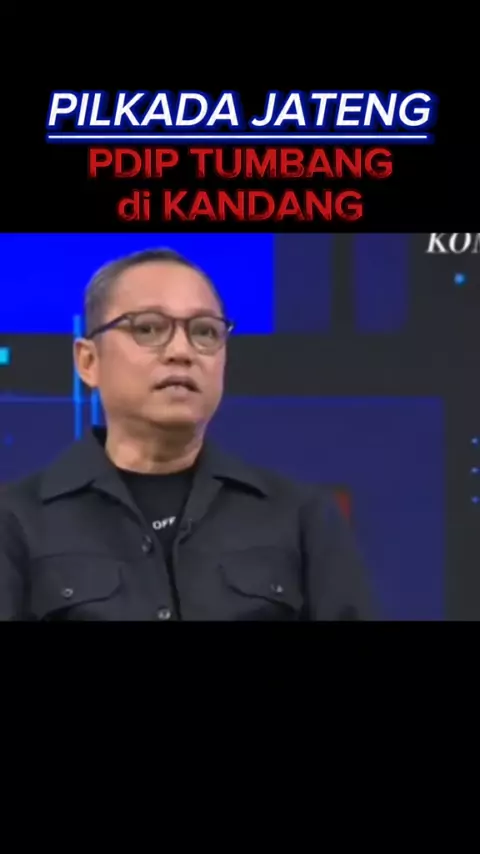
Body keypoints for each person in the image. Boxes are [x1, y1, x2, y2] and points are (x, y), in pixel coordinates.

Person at [0, 248, 376, 621]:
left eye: (205, 332)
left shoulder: (301, 517)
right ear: (88, 361)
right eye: (148, 328)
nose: (181, 351)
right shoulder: (15, 521)